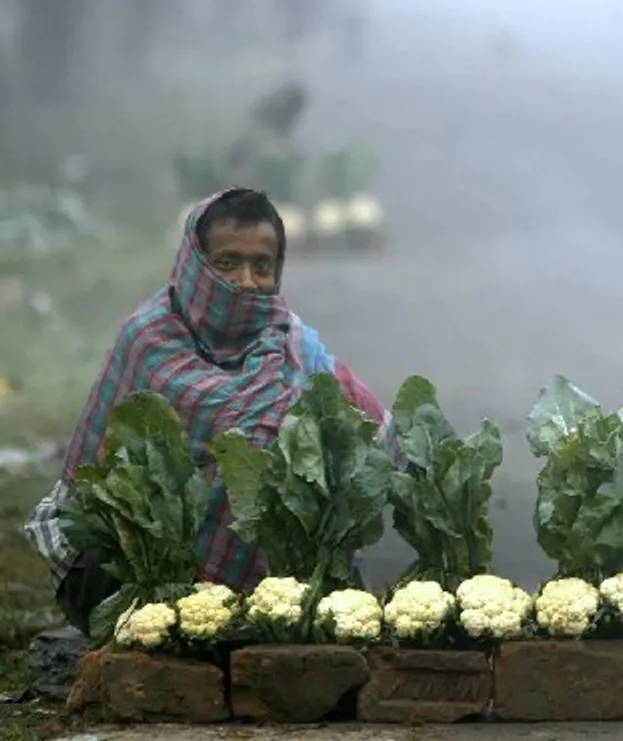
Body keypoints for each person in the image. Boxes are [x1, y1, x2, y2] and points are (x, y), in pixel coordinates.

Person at [23, 188, 396, 635]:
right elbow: (94, 483)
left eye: (262, 267)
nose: (246, 281)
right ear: (195, 264)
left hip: (269, 586)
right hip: (134, 572)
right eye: (227, 263)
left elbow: (377, 431)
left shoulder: (293, 344)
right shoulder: (148, 340)